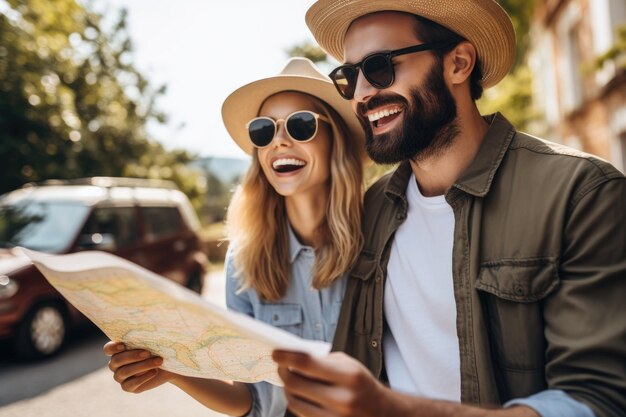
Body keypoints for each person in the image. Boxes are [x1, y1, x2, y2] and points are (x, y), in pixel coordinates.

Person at [272, 2, 626, 417]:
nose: (363, 94)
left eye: (381, 67)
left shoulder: (581, 194)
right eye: (348, 78)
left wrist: (390, 408)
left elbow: (598, 401)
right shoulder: (371, 210)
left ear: (458, 63)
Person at [103, 57, 366, 417]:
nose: (280, 142)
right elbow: (253, 400)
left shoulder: (379, 236)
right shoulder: (244, 259)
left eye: (300, 125)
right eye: (264, 130)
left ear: (335, 140)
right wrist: (171, 370)